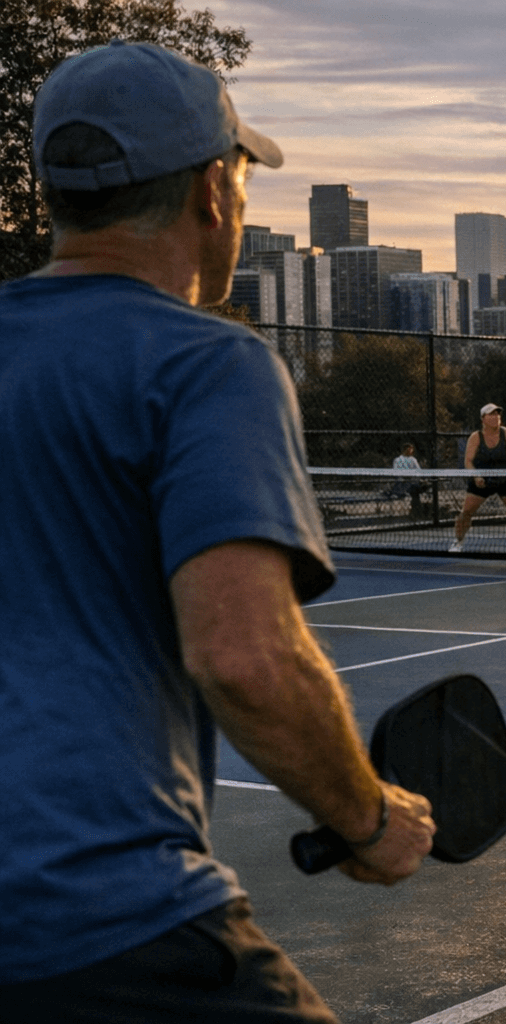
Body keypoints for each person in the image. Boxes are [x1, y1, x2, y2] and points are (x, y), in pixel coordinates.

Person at [0, 42, 434, 1021]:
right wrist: (366, 816)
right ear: (211, 194)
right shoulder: (206, 364)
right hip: (98, 917)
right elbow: (246, 655)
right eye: (241, 178)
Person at [452, 403, 506, 554]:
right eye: (491, 414)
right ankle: (457, 542)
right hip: (481, 480)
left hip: (505, 479)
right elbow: (468, 461)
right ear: (483, 419)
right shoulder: (476, 437)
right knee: (466, 512)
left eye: (497, 414)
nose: (496, 417)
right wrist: (476, 476)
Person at [390, 441, 429, 517]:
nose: (410, 451)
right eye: (408, 449)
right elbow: (396, 473)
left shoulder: (413, 459)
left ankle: (416, 511)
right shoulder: (398, 460)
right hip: (402, 483)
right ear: (404, 450)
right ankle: (416, 511)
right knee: (414, 489)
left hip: (413, 482)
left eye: (411, 449)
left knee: (416, 489)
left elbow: (418, 471)